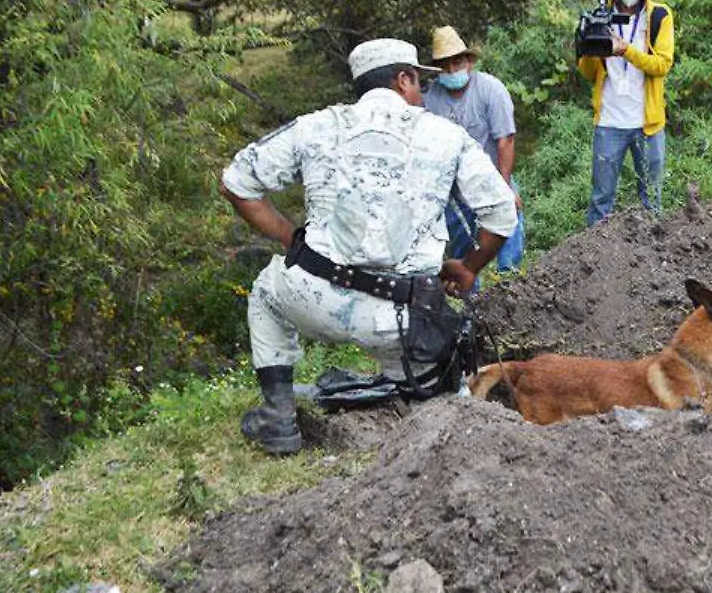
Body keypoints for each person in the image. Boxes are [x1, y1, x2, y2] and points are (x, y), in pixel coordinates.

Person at [220, 39, 517, 455]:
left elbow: (236, 182)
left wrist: (291, 238)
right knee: (434, 383)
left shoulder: (315, 125)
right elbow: (502, 213)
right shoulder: (446, 135)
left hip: (312, 297)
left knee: (267, 292)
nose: (422, 96)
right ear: (404, 79)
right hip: (398, 318)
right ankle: (414, 401)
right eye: (419, 85)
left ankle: (278, 418)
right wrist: (468, 267)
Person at [578, 0, 675, 226]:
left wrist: (625, 50)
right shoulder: (602, 17)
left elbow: (662, 65)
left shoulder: (659, 17)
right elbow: (587, 73)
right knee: (600, 201)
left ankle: (653, 262)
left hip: (648, 124)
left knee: (651, 200)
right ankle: (595, 263)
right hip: (609, 121)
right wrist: (588, 45)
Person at [422, 26, 525, 275]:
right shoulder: (431, 98)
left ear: (468, 61)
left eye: (456, 62)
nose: (451, 70)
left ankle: (509, 284)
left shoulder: (491, 90)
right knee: (462, 249)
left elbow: (505, 141)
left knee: (508, 229)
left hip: (492, 174)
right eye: (444, 65)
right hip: (454, 187)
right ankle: (471, 300)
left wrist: (505, 187)